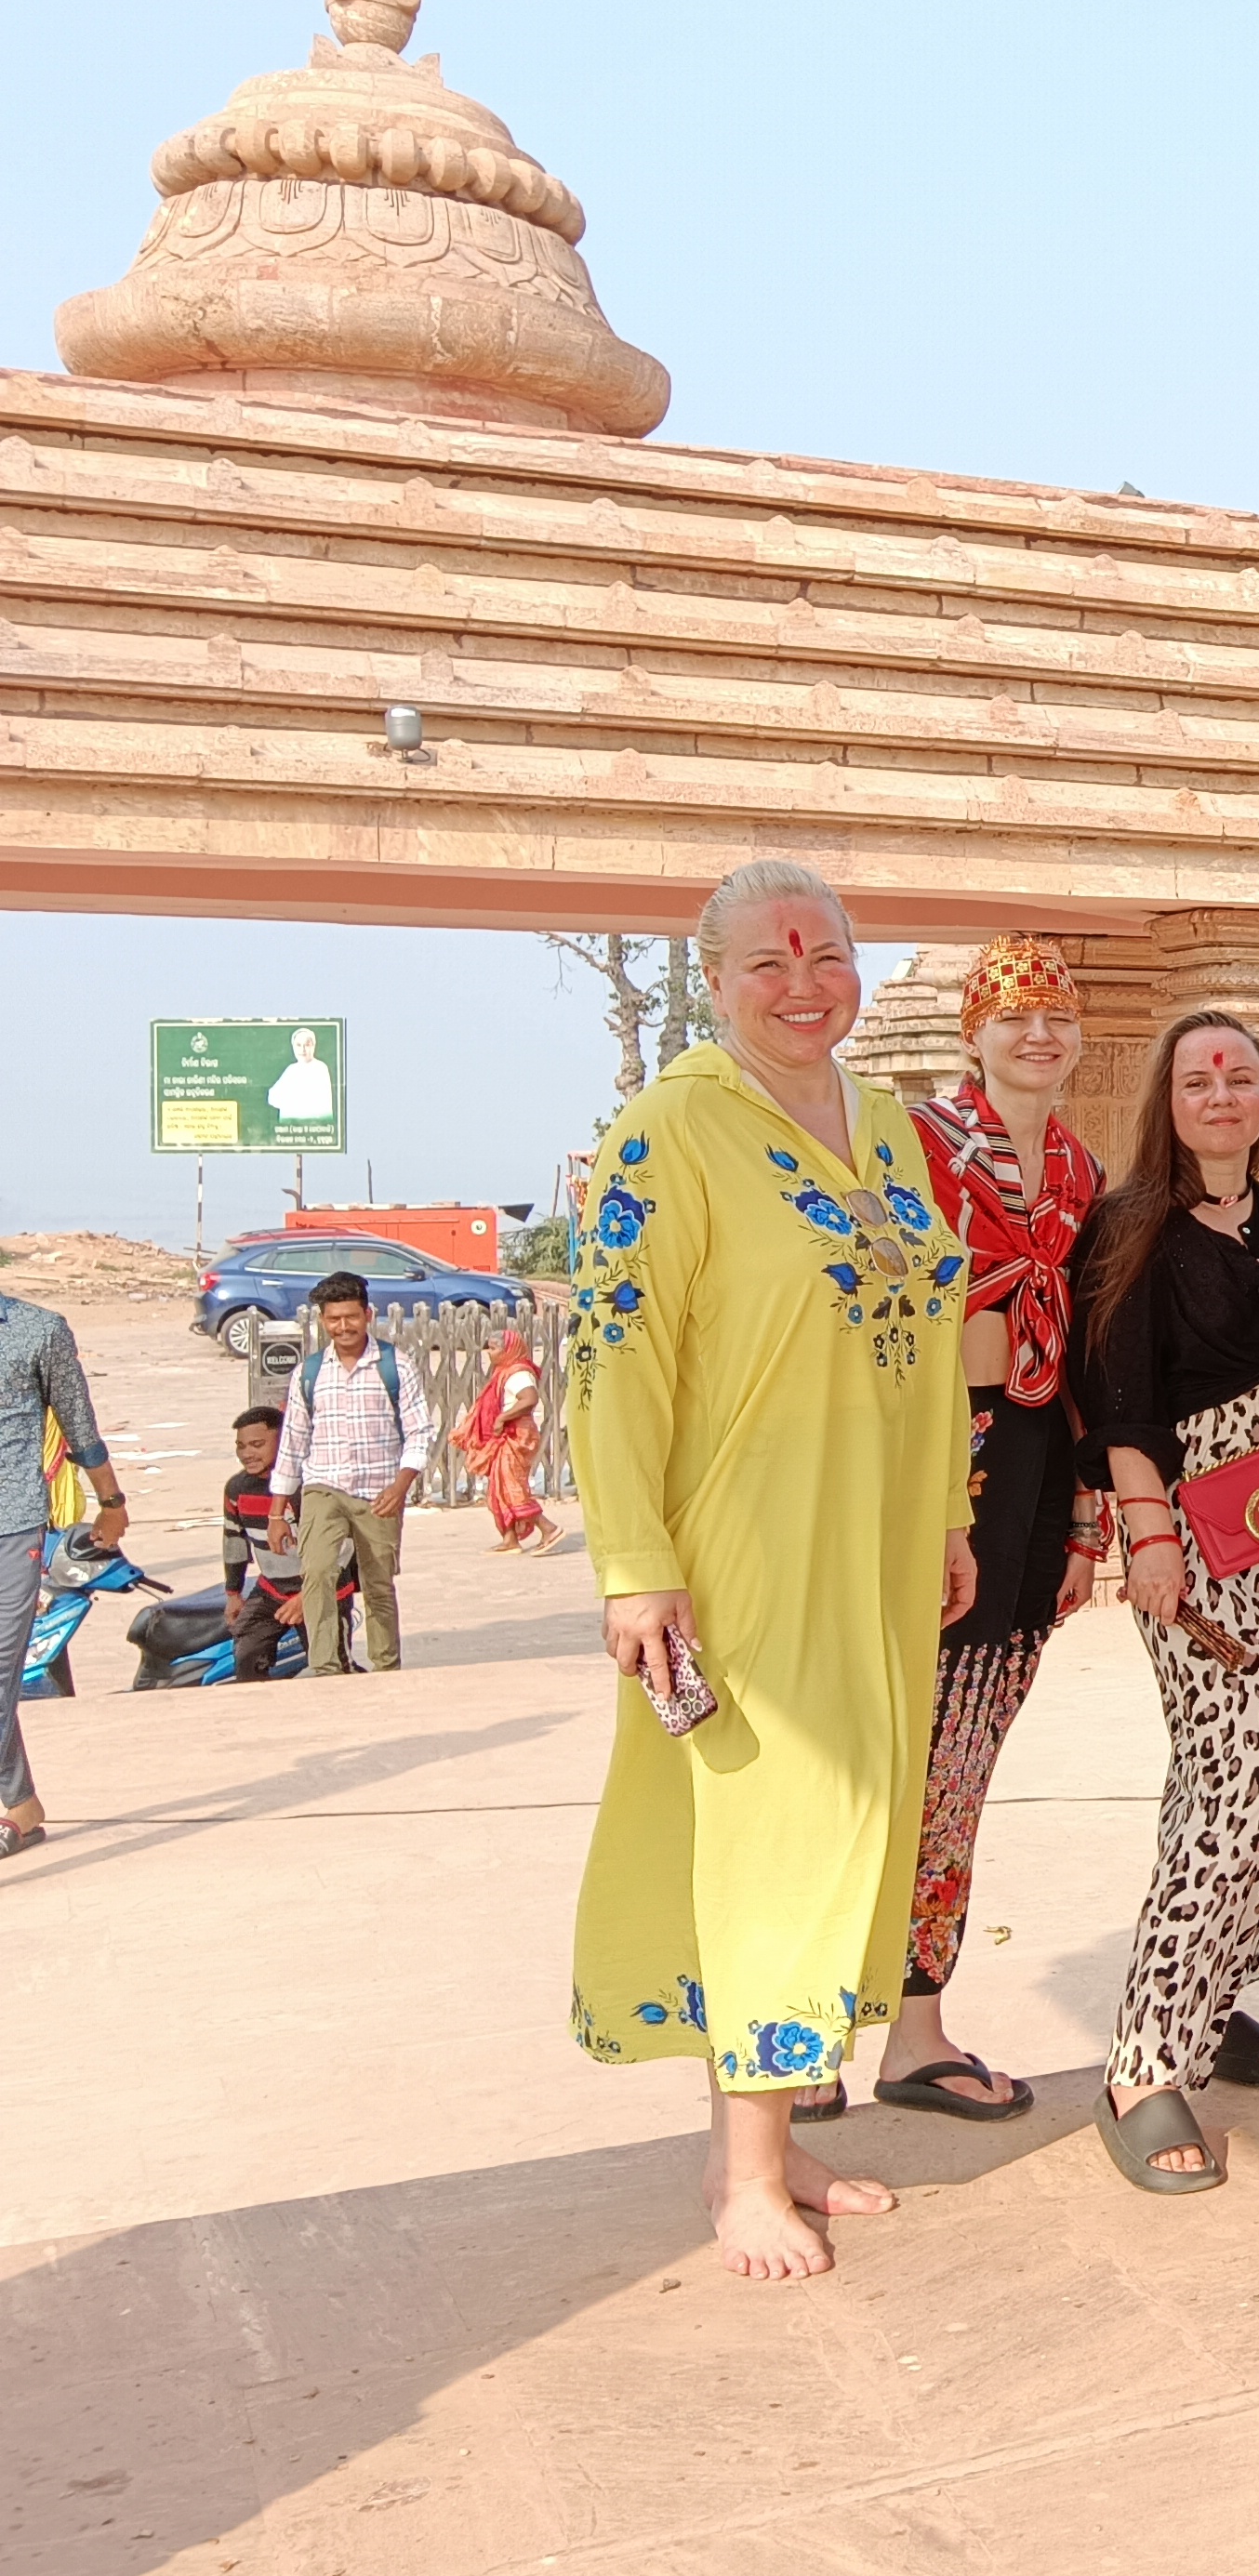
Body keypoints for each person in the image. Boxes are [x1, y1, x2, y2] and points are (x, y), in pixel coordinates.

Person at [567, 858, 974, 2281]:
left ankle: (783, 2138)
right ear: (715, 982)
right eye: (768, 966)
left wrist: (941, 1519)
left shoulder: (889, 1128)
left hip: (870, 1540)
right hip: (738, 1542)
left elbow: (928, 1347)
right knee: (771, 1834)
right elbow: (613, 1359)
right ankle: (745, 2174)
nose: (805, 988)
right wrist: (634, 1562)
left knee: (859, 1818)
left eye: (829, 958)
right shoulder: (672, 1131)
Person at [1077, 1010, 1259, 2191]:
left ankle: (1215, 1997)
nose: (1222, 1094)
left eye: (1240, 1076)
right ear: (1168, 1101)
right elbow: (1119, 1398)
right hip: (1195, 1534)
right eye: (1199, 1079)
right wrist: (1148, 1534)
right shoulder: (1130, 1227)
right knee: (1229, 1782)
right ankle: (1144, 2061)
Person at [866, 931, 1111, 2125]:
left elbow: (1089, 1365)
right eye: (1013, 1015)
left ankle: (917, 2027)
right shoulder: (913, 1147)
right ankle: (802, 2033)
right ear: (973, 1031)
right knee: (875, 1758)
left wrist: (1084, 1518)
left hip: (1032, 1473)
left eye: (1057, 1015)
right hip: (925, 1471)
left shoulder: (1080, 1172)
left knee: (961, 1760)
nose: (1038, 1034)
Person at [1, 1287, 123, 1857]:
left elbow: (80, 1426)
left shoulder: (40, 1330)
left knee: (2, 1671)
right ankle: (22, 1806)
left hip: (13, 1525)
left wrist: (112, 1501)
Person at [267, 1270, 435, 1675]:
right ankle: (324, 1667)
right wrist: (276, 1513)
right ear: (322, 1320)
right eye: (333, 1319)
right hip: (323, 1487)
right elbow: (292, 1442)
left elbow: (420, 1432)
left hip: (379, 1491)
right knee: (318, 1573)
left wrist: (401, 1484)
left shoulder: (395, 1365)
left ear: (368, 1314)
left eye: (351, 1317)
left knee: (378, 1584)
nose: (343, 1327)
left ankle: (385, 1666)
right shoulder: (310, 1373)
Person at [450, 1327, 563, 1556]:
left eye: (494, 1348)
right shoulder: (504, 1372)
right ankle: (509, 1539)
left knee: (512, 1488)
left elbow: (529, 1399)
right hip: (504, 1434)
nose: (490, 1353)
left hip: (516, 1435)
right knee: (498, 1489)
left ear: (509, 1349)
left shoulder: (518, 1373)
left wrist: (503, 1417)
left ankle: (548, 1529)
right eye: (489, 1348)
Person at [220, 1406, 311, 1682]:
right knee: (246, 1653)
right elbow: (234, 1541)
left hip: (317, 1587)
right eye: (241, 1446)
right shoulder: (237, 1489)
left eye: (257, 1444)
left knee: (329, 1663)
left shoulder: (307, 1485)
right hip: (272, 1587)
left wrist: (308, 1596)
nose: (247, 1453)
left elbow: (337, 1548)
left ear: (282, 1442)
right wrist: (234, 1593)